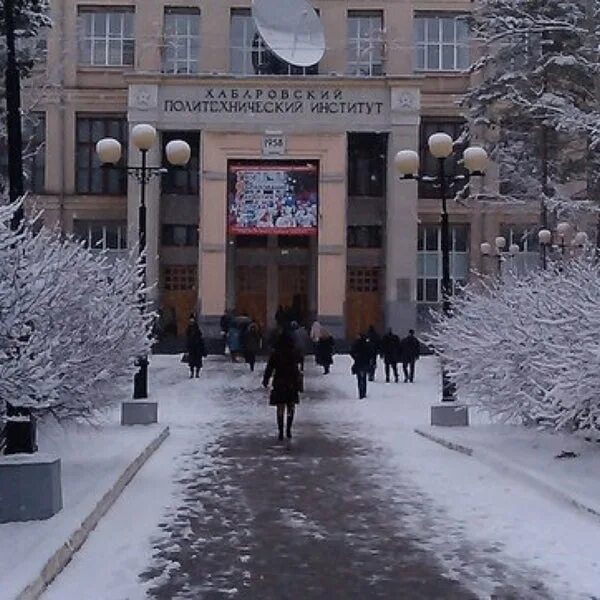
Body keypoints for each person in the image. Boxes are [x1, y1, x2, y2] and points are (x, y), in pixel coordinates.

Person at [262, 333, 302, 441]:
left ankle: (280, 430)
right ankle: (288, 429)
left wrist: (266, 379)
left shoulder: (275, 354)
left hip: (279, 382)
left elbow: (269, 368)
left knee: (280, 407)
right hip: (291, 383)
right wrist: (299, 384)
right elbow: (297, 368)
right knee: (291, 406)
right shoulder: (294, 353)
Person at [350, 333, 371, 399]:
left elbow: (351, 352)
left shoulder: (356, 344)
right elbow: (370, 352)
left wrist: (355, 357)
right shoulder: (367, 344)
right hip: (365, 363)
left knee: (359, 379)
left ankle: (360, 393)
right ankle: (363, 392)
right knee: (364, 378)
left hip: (358, 362)